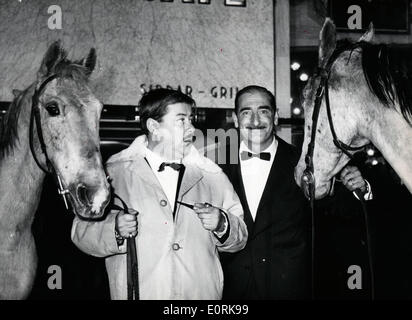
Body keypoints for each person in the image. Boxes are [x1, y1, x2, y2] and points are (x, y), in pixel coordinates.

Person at [71, 88, 248, 300]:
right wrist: (114, 229)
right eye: (181, 120)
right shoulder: (114, 173)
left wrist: (222, 223)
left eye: (191, 119)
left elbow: (241, 236)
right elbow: (81, 232)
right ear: (154, 127)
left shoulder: (211, 174)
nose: (192, 128)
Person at [219, 85, 310, 299]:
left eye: (263, 111)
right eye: (246, 112)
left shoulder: (303, 162)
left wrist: (361, 186)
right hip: (231, 290)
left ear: (276, 117)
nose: (255, 120)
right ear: (235, 118)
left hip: (288, 288)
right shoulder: (214, 164)